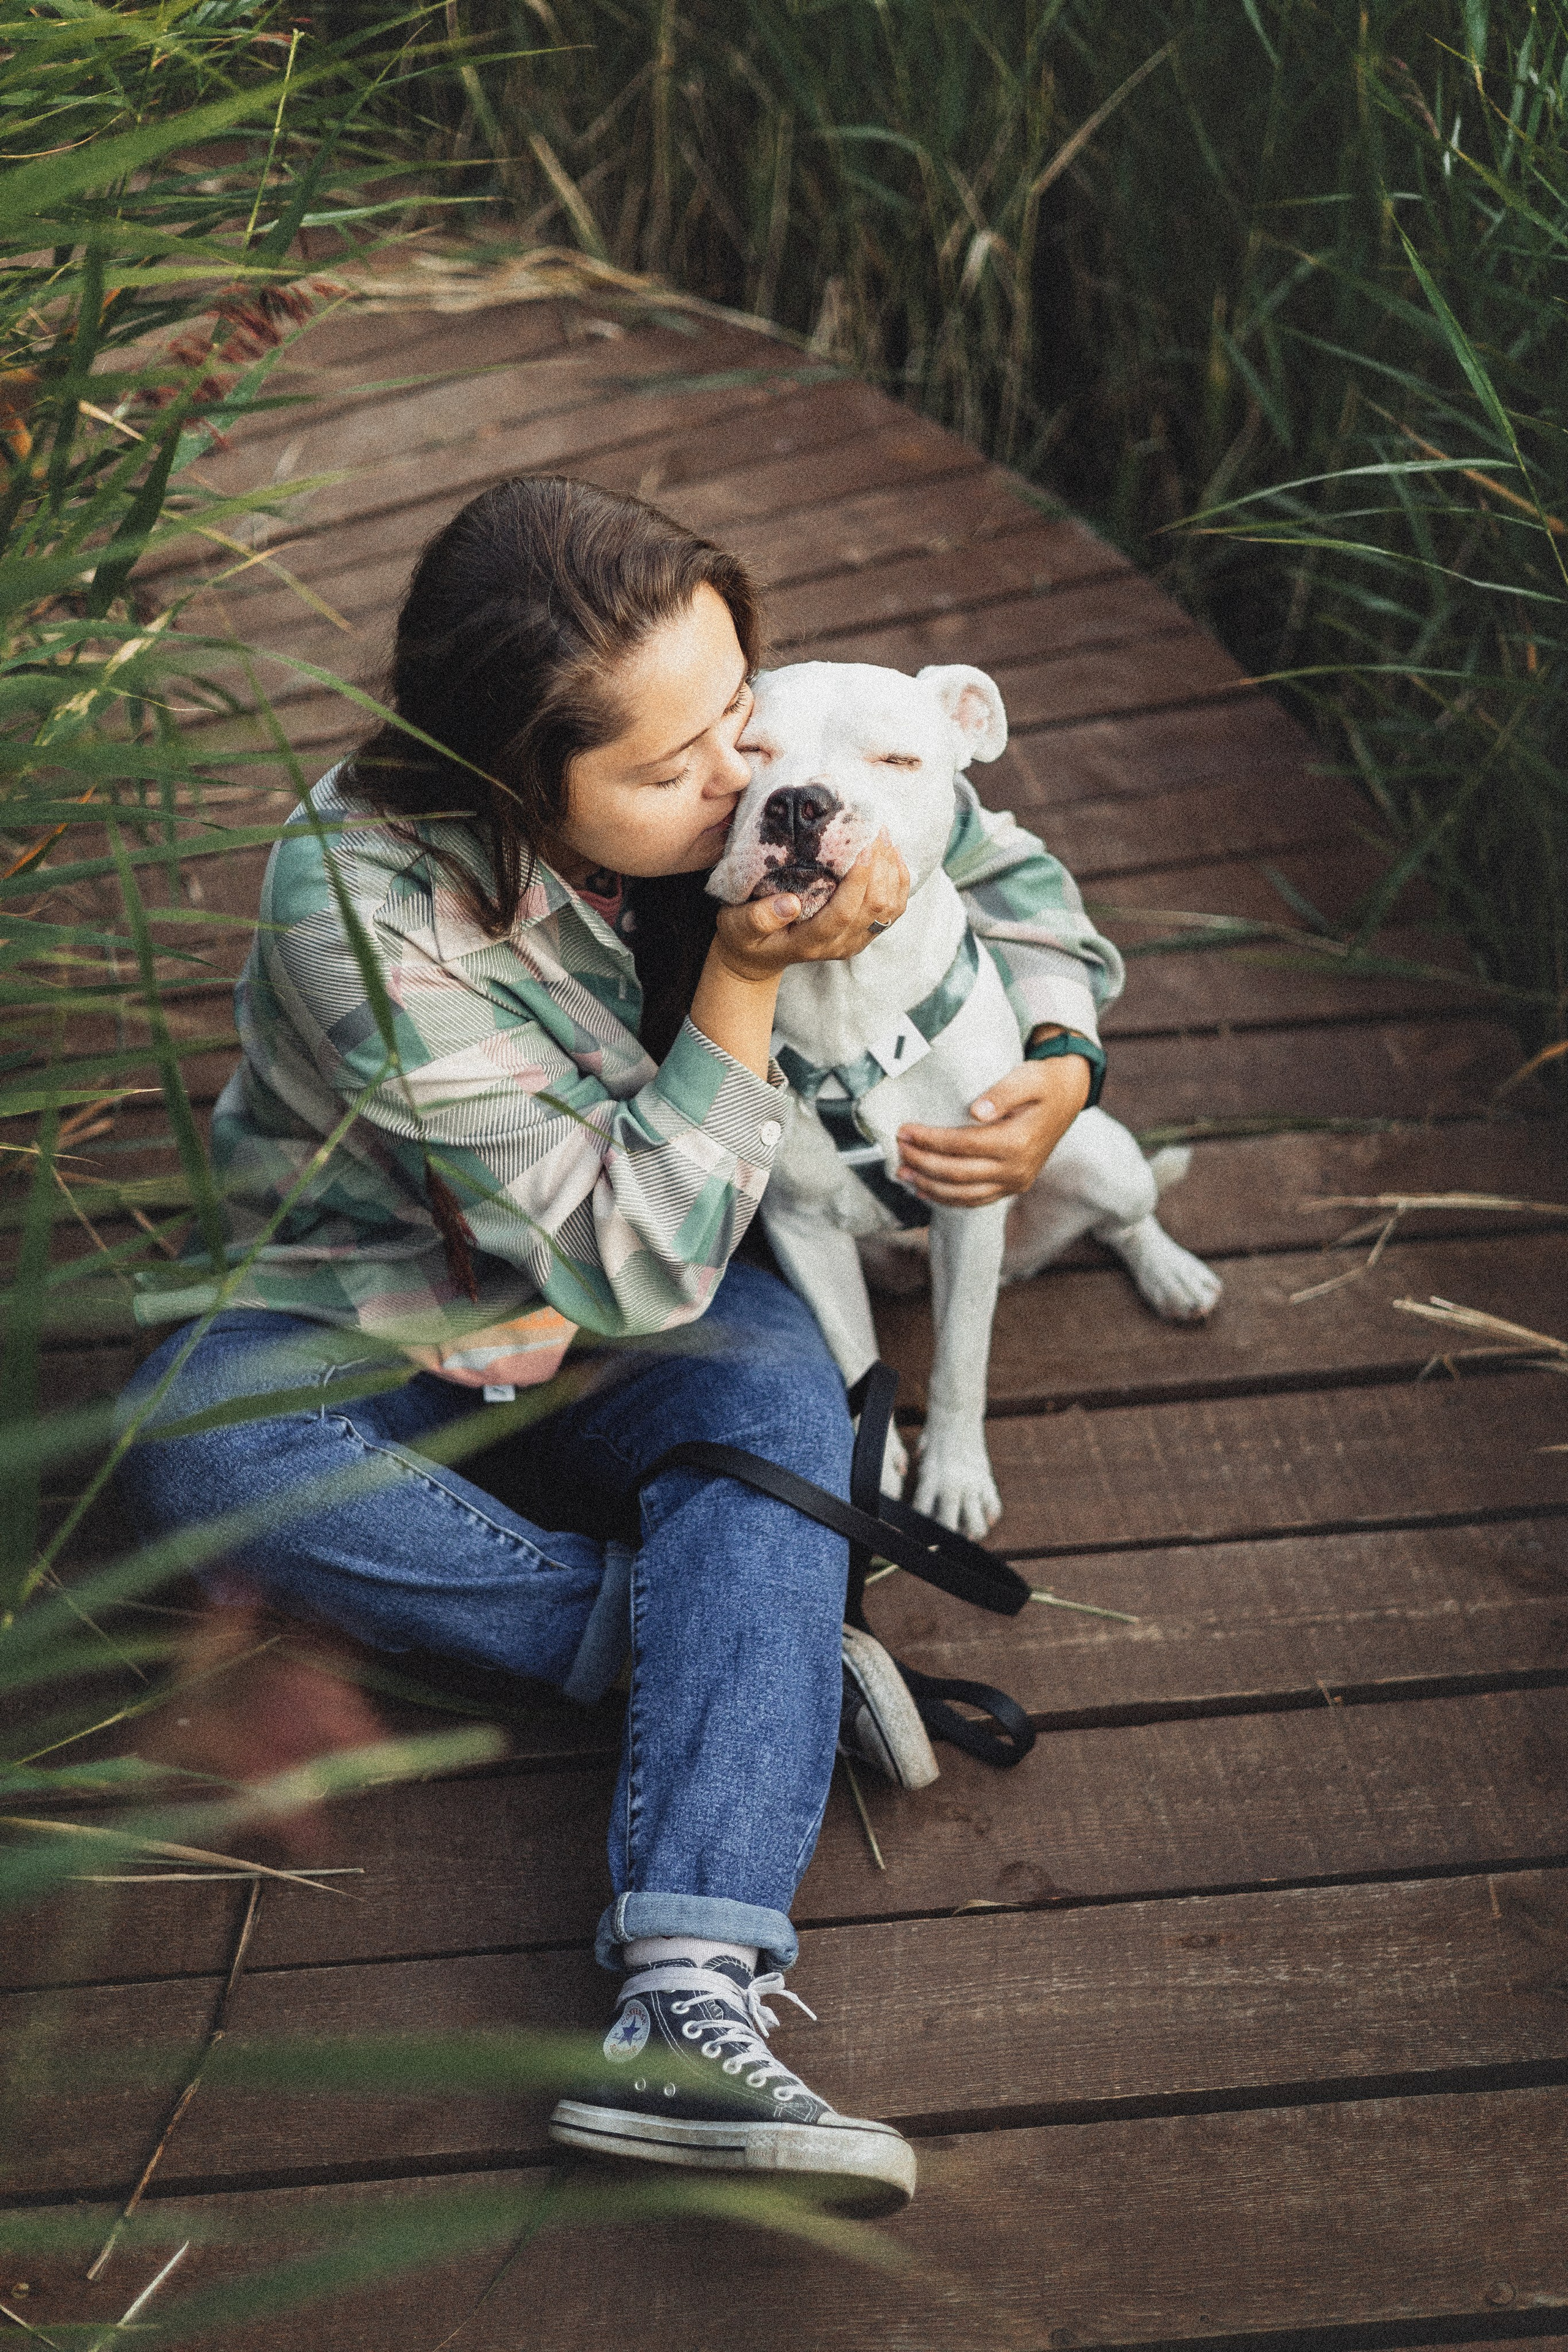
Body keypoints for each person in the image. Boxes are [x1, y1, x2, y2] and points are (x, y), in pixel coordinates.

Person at [116, 475, 1122, 2212]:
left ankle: (690, 1994)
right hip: (389, 1299)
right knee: (192, 1446)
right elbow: (627, 1253)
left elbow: (996, 851)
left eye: (738, 713)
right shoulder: (361, 914)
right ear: (523, 789)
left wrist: (1060, 1060)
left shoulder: (752, 773)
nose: (745, 781)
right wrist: (737, 982)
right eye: (674, 775)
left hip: (649, 1270)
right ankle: (752, 1643)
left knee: (782, 1395)